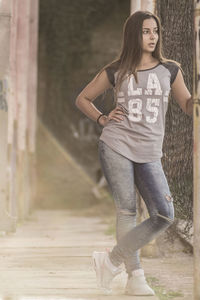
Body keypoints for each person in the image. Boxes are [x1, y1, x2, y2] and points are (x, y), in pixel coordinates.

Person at [76, 10, 193, 296]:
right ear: (133, 35)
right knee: (127, 210)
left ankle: (110, 260)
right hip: (117, 144)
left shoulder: (170, 70)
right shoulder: (116, 70)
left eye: (155, 31)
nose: (152, 37)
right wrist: (103, 118)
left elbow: (189, 106)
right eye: (145, 31)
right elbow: (83, 98)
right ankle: (136, 277)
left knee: (164, 213)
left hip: (150, 150)